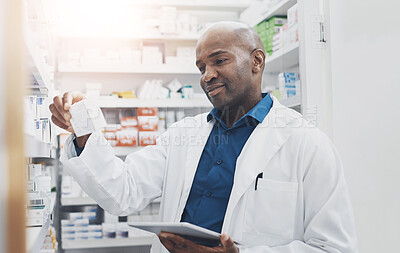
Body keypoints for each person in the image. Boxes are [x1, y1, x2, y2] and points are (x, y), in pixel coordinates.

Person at [49, 21, 358, 253]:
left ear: (257, 62)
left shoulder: (308, 144)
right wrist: (85, 133)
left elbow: (333, 248)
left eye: (219, 61)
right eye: (201, 67)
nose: (206, 75)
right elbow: (123, 190)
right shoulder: (184, 134)